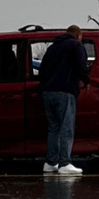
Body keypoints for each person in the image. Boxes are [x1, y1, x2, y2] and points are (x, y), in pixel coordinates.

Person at [40, 25, 91, 175]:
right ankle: (64, 163)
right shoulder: (75, 45)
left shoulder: (53, 47)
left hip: (48, 92)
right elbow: (81, 66)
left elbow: (42, 69)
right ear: (79, 35)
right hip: (65, 91)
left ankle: (50, 163)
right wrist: (86, 80)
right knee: (66, 128)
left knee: (53, 128)